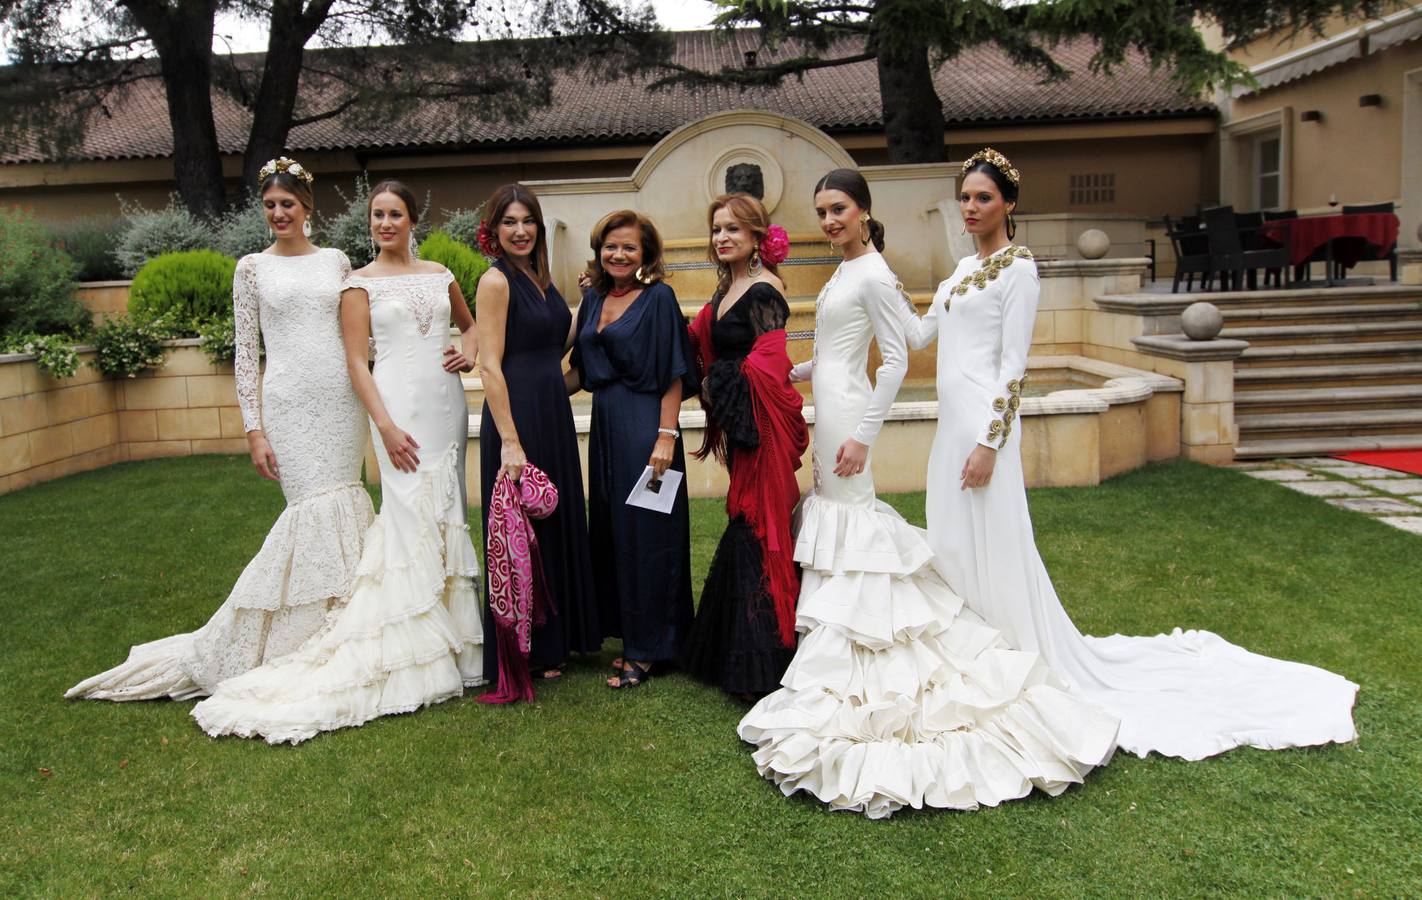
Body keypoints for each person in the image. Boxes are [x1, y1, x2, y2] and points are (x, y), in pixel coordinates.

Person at [917, 148, 1358, 760]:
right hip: (949, 427)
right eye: (964, 197)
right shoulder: (958, 273)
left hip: (984, 428)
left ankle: (1008, 654)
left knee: (992, 538)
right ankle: (964, 647)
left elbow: (1014, 366)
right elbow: (919, 335)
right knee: (953, 536)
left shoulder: (1019, 270)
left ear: (1009, 204)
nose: (970, 208)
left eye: (983, 197)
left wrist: (991, 443)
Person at [737, 168, 1120, 818]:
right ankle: (839, 643)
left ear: (863, 212)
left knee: (857, 529)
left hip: (856, 419)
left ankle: (875, 651)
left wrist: (863, 433)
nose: (830, 221)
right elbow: (876, 340)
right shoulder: (856, 271)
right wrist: (794, 369)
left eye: (839, 210)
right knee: (841, 525)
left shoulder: (879, 272)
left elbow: (893, 361)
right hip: (831, 406)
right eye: (822, 211)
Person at [66, 158, 376, 702]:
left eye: (288, 204)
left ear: (307, 207)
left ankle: (350, 625)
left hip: (340, 401)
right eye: (270, 206)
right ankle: (285, 634)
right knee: (309, 509)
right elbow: (244, 354)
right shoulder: (251, 268)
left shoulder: (336, 261)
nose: (279, 213)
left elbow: (353, 333)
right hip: (289, 406)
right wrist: (254, 429)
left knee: (347, 500)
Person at [190, 180, 483, 743]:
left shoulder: (428, 273)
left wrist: (466, 350)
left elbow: (469, 328)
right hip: (352, 403)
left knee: (446, 509)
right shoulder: (349, 281)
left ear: (412, 219)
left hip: (437, 406)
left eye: (395, 214)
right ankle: (351, 632)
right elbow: (349, 357)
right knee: (399, 513)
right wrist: (380, 422)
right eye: (377, 214)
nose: (384, 223)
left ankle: (452, 638)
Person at [681, 194, 808, 697]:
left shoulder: (763, 290)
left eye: (733, 229)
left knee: (760, 525)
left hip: (762, 427)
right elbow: (700, 337)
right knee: (744, 519)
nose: (722, 237)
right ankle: (735, 647)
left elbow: (771, 361)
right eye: (716, 229)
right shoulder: (727, 287)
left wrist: (718, 381)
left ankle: (771, 654)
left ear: (757, 237)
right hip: (740, 424)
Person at [476, 183, 599, 689]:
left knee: (556, 521)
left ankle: (557, 639)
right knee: (521, 533)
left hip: (553, 412)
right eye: (510, 222)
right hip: (517, 417)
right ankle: (525, 647)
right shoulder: (496, 281)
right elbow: (489, 364)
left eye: (528, 221)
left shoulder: (541, 278)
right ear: (494, 230)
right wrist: (509, 439)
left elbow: (552, 342)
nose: (520, 230)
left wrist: (589, 301)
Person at [568, 210, 697, 688]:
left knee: (648, 536)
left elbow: (674, 371)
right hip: (605, 425)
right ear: (599, 250)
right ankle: (630, 635)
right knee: (613, 533)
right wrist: (531, 393)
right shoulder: (593, 299)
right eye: (610, 246)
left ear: (645, 255)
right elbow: (581, 371)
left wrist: (667, 436)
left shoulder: (658, 298)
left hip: (647, 429)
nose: (618, 254)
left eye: (629, 247)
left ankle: (653, 647)